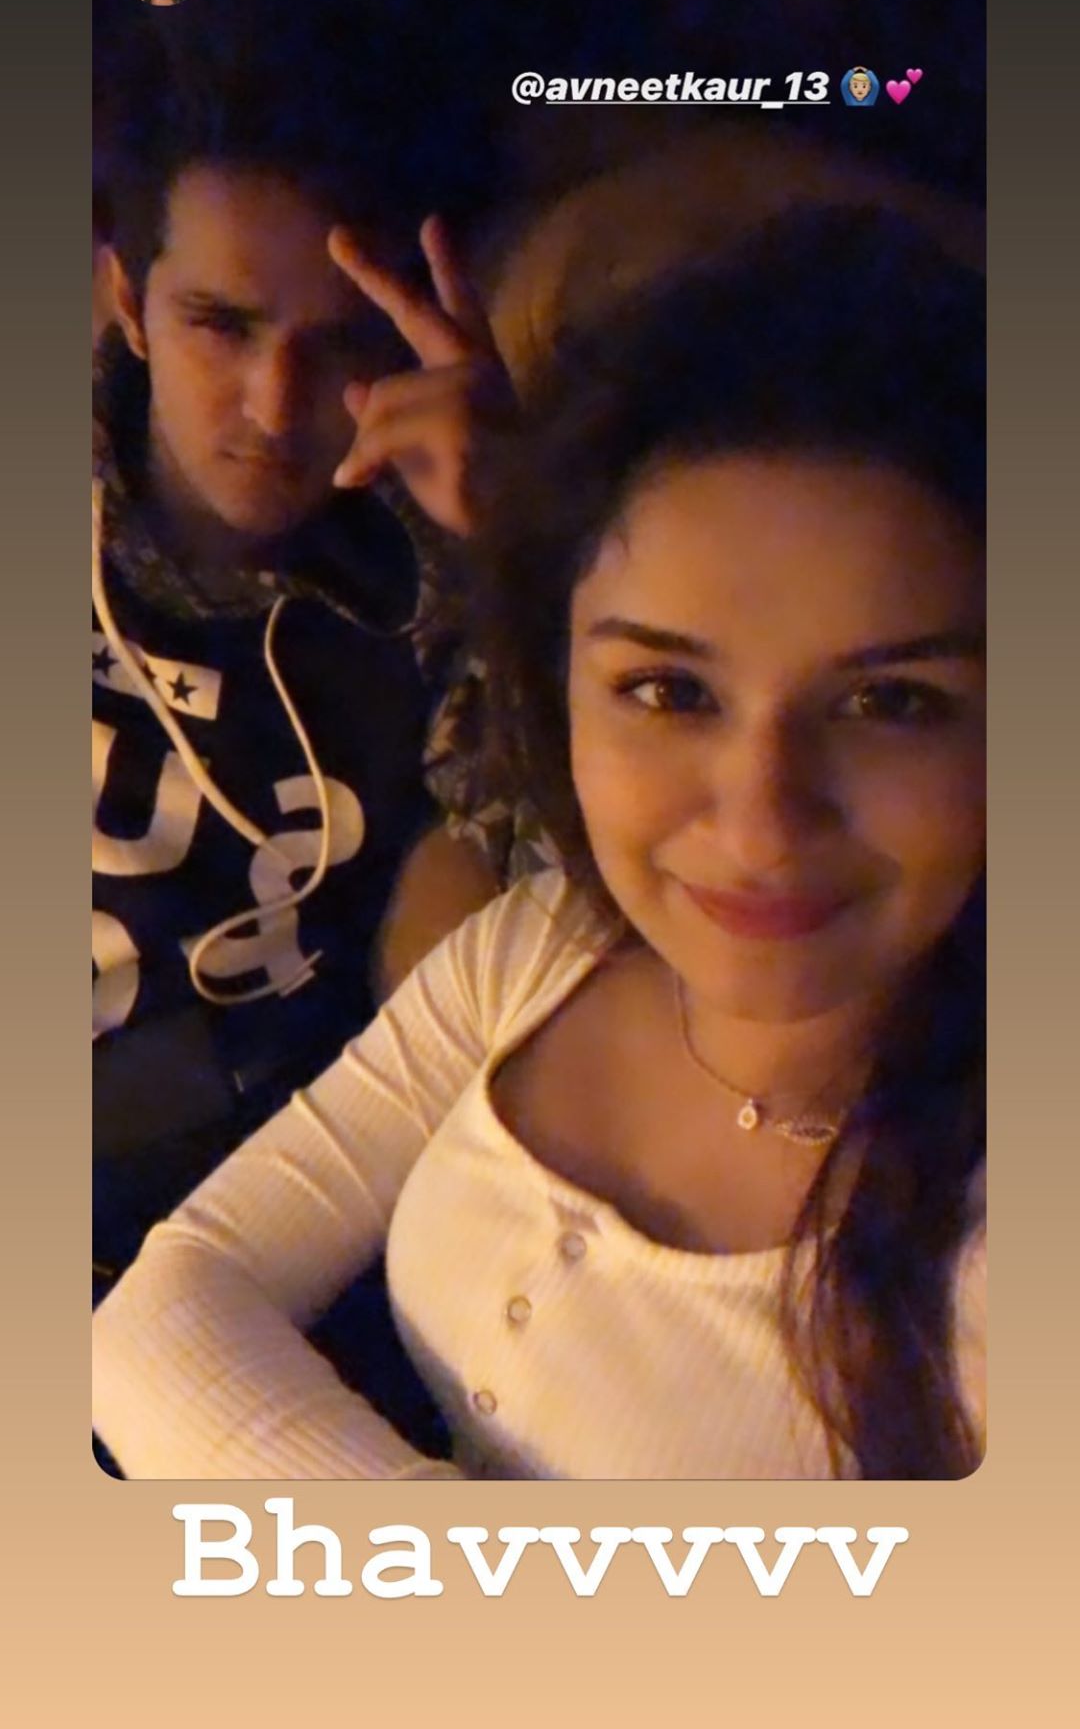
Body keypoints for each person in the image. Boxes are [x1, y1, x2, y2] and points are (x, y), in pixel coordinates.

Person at [93, 204, 986, 1481]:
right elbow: (161, 1316)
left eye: (890, 703)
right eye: (668, 691)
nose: (759, 821)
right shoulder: (548, 943)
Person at [93, 82, 505, 1320]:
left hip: (242, 1202)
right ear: (128, 305)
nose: (275, 409)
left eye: (340, 347)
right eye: (220, 325)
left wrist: (523, 548)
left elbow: (546, 894)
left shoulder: (435, 587)